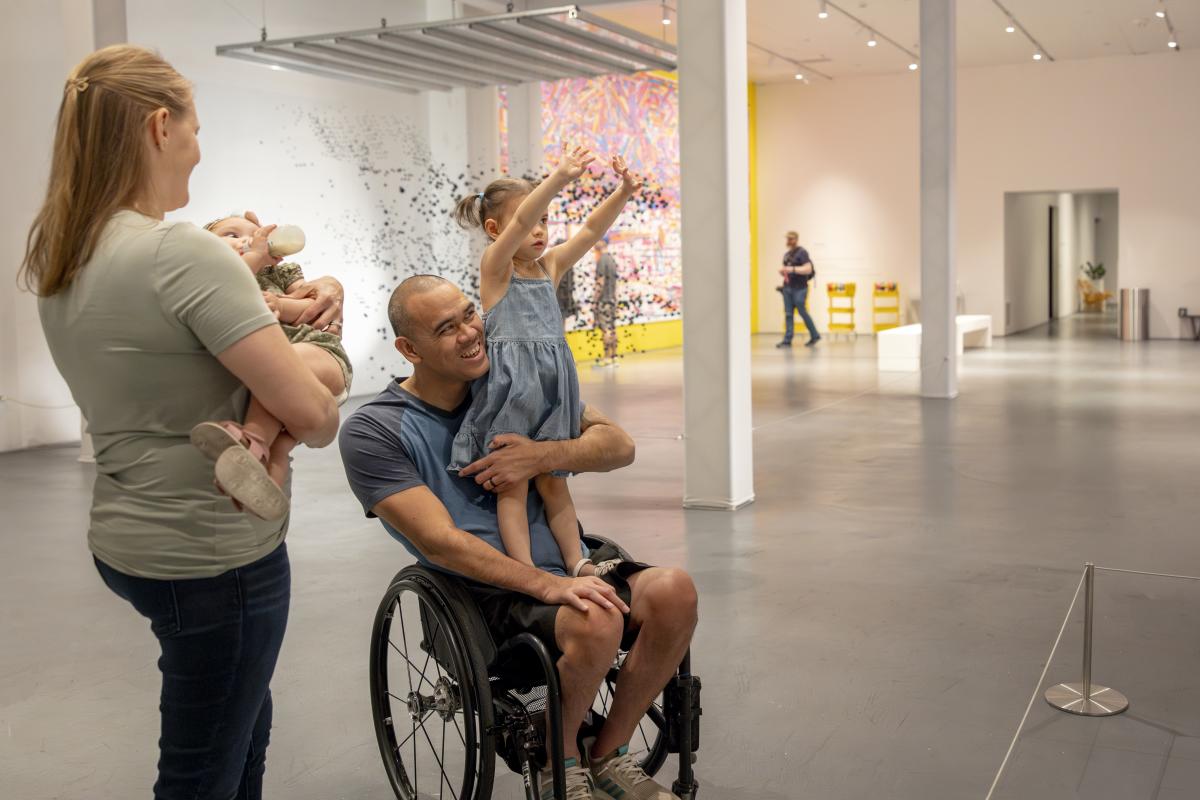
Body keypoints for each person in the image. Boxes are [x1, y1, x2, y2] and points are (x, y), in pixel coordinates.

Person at [21, 45, 341, 799]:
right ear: (162, 127)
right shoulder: (180, 254)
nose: (200, 150)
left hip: (129, 536)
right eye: (196, 129)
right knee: (202, 772)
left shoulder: (64, 253)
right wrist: (321, 348)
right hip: (215, 550)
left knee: (240, 722)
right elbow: (319, 417)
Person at [339, 275, 698, 800]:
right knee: (596, 620)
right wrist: (545, 585)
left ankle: (608, 755)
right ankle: (560, 760)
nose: (469, 332)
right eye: (447, 328)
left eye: (469, 314)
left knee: (675, 592)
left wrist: (543, 455)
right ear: (408, 349)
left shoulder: (513, 386)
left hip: (566, 566)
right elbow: (439, 542)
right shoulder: (376, 430)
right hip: (484, 594)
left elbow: (619, 445)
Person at [447, 145, 643, 582]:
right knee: (513, 485)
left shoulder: (549, 266)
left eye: (545, 222)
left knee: (554, 481)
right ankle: (525, 569)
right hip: (513, 392)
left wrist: (624, 193)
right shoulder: (496, 268)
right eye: (529, 222)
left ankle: (576, 560)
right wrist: (558, 179)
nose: (538, 231)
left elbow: (591, 230)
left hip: (553, 391)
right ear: (495, 230)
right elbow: (517, 224)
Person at [198, 213, 353, 515]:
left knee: (276, 369)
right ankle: (265, 490)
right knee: (281, 445)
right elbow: (230, 282)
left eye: (256, 234)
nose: (246, 240)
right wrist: (254, 256)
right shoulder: (213, 277)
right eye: (231, 234)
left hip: (320, 355)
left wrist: (282, 305)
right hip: (288, 371)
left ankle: (252, 440)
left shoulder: (281, 275)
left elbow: (314, 304)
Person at [776, 230, 821, 348]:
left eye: (791, 239)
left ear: (796, 239)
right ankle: (787, 340)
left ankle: (815, 335)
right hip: (787, 288)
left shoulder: (802, 252)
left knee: (802, 311)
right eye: (787, 239)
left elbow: (808, 269)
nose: (789, 241)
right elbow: (788, 272)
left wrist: (792, 269)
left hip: (800, 289)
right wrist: (783, 272)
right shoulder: (786, 255)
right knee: (788, 314)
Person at [593, 239, 620, 367]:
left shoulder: (602, 261)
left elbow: (601, 281)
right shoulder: (612, 260)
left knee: (605, 330)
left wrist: (595, 299)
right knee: (612, 328)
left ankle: (606, 358)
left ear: (598, 250)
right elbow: (617, 284)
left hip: (604, 301)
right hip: (612, 301)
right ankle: (615, 357)